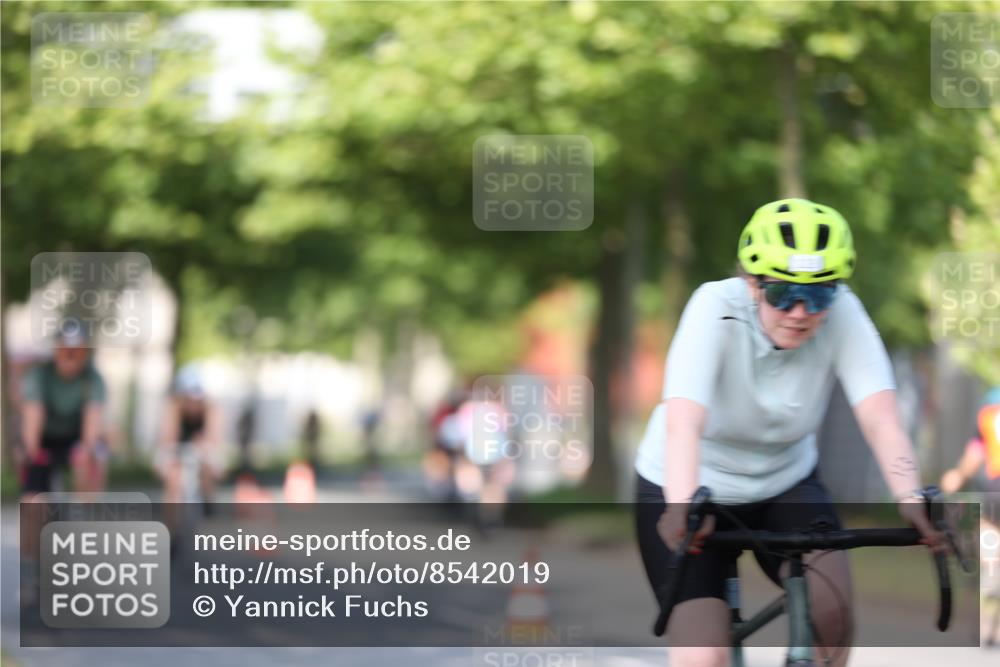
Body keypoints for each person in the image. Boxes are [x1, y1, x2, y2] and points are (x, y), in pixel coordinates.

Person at [633, 199, 945, 667]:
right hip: (686, 482)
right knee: (704, 658)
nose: (800, 312)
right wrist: (682, 505)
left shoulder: (844, 315)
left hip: (785, 482)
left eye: (818, 295)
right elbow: (683, 424)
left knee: (833, 611)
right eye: (782, 294)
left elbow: (881, 418)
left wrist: (909, 496)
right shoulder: (713, 308)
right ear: (752, 283)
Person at [19, 320, 107, 496]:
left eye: (76, 351)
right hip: (45, 438)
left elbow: (92, 421)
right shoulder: (39, 376)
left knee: (92, 460)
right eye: (65, 350)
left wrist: (86, 451)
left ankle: (87, 514)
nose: (70, 356)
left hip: (75, 438)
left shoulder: (93, 379)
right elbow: (32, 419)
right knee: (32, 503)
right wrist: (32, 452)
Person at [156, 364, 222, 508]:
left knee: (208, 468)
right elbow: (168, 437)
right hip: (177, 448)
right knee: (173, 478)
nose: (193, 404)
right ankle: (172, 524)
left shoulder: (209, 408)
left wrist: (204, 445)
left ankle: (207, 501)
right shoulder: (173, 408)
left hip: (201, 448)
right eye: (189, 399)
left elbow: (214, 437)